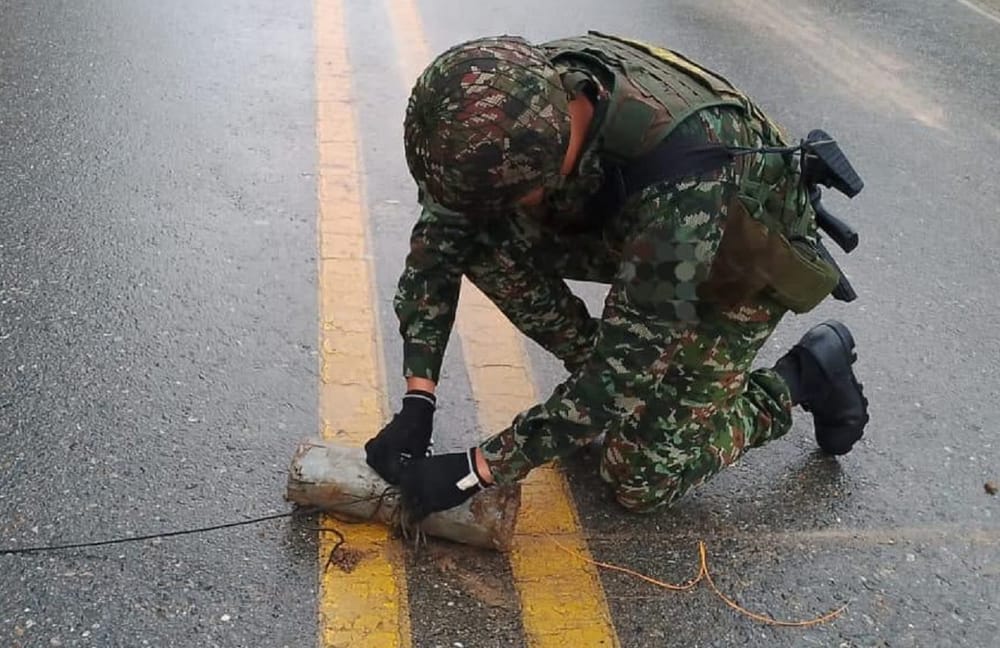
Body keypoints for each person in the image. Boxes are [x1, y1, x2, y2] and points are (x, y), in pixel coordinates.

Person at [363, 32, 870, 522]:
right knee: (478, 238)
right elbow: (442, 237)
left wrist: (480, 469)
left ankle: (805, 376)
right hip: (635, 226)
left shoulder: (682, 186)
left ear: (541, 174)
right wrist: (418, 397)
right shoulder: (514, 103)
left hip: (739, 257)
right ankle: (601, 398)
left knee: (640, 479)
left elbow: (627, 367)